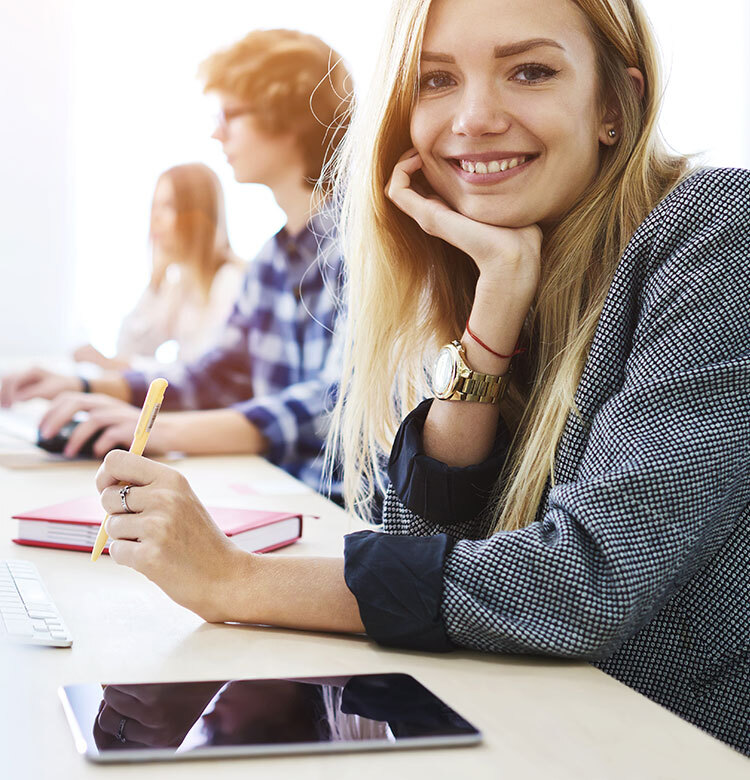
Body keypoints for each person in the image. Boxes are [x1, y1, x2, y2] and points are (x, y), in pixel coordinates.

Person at [87, 0, 750, 755]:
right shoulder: (507, 263)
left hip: (674, 750)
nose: (474, 117)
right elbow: (421, 539)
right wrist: (493, 311)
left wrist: (236, 581)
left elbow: (584, 581)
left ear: (615, 105)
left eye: (529, 71)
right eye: (437, 80)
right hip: (535, 731)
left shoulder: (720, 230)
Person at [0, 29, 352, 497]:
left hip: (336, 515)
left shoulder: (364, 250)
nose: (215, 132)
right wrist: (83, 383)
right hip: (272, 492)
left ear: (286, 117)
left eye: (230, 115)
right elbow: (215, 376)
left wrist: (159, 432)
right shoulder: (274, 258)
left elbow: (338, 403)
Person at [73, 162, 245, 371]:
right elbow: (129, 348)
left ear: (198, 214)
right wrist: (155, 283)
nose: (155, 218)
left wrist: (118, 364)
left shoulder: (230, 281)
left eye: (169, 206)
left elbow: (203, 375)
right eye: (154, 206)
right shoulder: (180, 283)